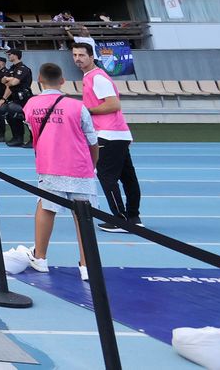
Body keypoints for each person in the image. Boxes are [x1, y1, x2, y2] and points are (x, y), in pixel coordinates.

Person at [7, 62, 100, 282]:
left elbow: (34, 128)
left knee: (47, 208)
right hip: (79, 167)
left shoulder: (30, 104)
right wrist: (93, 164)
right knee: (83, 217)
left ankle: (40, 257)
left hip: (49, 165)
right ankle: (87, 265)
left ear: (39, 79)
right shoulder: (77, 106)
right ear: (62, 81)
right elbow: (92, 140)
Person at [74, 42, 142, 231]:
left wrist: (87, 112)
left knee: (107, 177)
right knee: (127, 177)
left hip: (108, 134)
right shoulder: (91, 77)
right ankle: (133, 218)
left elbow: (113, 105)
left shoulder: (98, 78)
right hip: (116, 133)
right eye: (75, 55)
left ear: (91, 56)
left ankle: (120, 219)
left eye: (82, 55)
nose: (78, 59)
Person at [2, 49, 35, 147]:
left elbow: (14, 82)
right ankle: (17, 138)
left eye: (10, 54)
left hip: (24, 97)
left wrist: (9, 79)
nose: (8, 56)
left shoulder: (22, 68)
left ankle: (33, 140)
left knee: (27, 118)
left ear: (16, 55)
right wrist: (9, 80)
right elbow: (4, 82)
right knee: (12, 116)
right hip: (15, 96)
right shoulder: (12, 68)